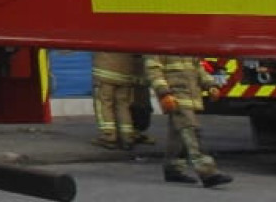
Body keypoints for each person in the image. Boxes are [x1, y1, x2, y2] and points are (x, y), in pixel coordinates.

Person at [144, 53, 232, 187]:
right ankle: (207, 172)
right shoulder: (160, 45)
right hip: (175, 96)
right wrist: (164, 93)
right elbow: (154, 71)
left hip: (190, 97)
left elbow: (198, 68)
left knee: (177, 135)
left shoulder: (185, 47)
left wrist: (210, 85)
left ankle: (173, 169)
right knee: (191, 130)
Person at [89, 51, 152, 151]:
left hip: (105, 73)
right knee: (123, 105)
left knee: (104, 103)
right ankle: (127, 137)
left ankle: (109, 136)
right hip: (125, 74)